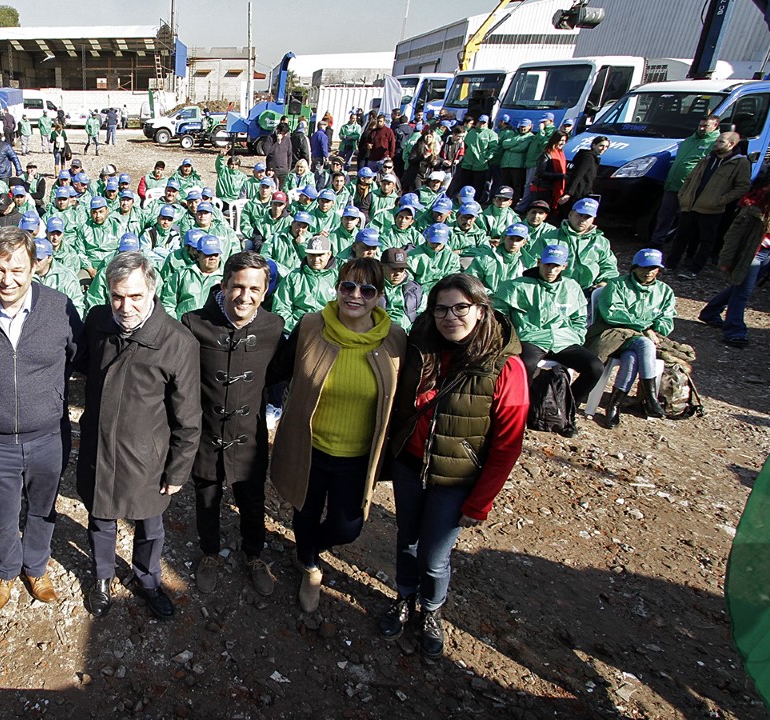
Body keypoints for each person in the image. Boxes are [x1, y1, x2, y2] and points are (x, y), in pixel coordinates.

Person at [380, 273, 528, 657]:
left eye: (461, 307)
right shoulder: (421, 344)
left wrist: (480, 503)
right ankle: (404, 597)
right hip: (411, 465)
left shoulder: (506, 366)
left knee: (434, 555)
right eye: (441, 308)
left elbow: (507, 444)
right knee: (407, 539)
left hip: (456, 476)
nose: (450, 317)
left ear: (480, 310)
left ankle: (431, 610)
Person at [0, 228, 82, 611]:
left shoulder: (59, 308)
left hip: (47, 436)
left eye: (18, 269)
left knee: (42, 507)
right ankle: (6, 571)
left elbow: (84, 356)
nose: (8, 280)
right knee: (0, 513)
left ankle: (36, 567)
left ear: (34, 266)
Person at [270, 258, 406, 612]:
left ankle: (309, 547)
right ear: (337, 288)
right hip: (310, 447)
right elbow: (277, 370)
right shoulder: (312, 326)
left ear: (379, 297)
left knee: (348, 527)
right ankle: (310, 567)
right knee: (304, 510)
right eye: (348, 286)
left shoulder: (395, 340)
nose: (355, 295)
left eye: (367, 289)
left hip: (357, 455)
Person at [76, 252, 201, 618]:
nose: (125, 306)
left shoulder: (177, 342)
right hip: (100, 445)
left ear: (151, 292)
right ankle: (101, 576)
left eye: (135, 297)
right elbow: (83, 364)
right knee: (100, 517)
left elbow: (189, 416)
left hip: (147, 455)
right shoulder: (99, 321)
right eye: (117, 296)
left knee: (149, 524)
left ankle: (147, 580)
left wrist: (177, 471)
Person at [182, 252, 284, 595]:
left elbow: (280, 374)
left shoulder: (272, 327)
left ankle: (254, 554)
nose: (245, 296)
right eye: (237, 286)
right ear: (223, 285)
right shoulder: (194, 324)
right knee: (206, 497)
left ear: (265, 290)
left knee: (252, 500)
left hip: (248, 438)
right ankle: (209, 552)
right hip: (207, 436)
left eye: (255, 288)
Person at [493, 244, 604, 432]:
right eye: (547, 265)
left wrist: (574, 335)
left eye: (556, 266)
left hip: (563, 340)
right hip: (531, 338)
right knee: (523, 366)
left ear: (564, 267)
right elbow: (499, 315)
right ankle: (521, 412)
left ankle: (567, 410)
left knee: (595, 367)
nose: (551, 270)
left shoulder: (571, 287)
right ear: (539, 263)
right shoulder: (518, 285)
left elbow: (580, 318)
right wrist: (513, 337)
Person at [586, 249, 675, 426]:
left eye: (654, 268)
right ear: (634, 268)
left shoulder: (665, 291)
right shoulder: (617, 285)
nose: (648, 272)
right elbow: (612, 314)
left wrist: (655, 327)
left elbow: (666, 321)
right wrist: (644, 327)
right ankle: (650, 399)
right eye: (644, 267)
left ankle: (613, 406)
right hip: (612, 335)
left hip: (636, 344)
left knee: (632, 357)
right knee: (645, 344)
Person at [699, 176, 770, 348]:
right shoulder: (757, 203)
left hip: (769, 254)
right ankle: (734, 331)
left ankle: (710, 312)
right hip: (753, 253)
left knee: (739, 286)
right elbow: (734, 234)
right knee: (743, 292)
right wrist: (726, 258)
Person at [668, 131, 752, 278]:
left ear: (731, 144)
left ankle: (694, 269)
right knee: (681, 237)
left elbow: (743, 187)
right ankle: (671, 264)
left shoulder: (740, 163)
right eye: (717, 141)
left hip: (711, 209)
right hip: (690, 204)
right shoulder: (707, 158)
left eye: (721, 142)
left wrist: (720, 200)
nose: (716, 144)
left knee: (706, 240)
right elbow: (691, 178)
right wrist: (683, 194)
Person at [651, 116, 720, 248]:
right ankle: (657, 241)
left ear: (715, 126)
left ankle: (679, 246)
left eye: (705, 126)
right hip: (673, 183)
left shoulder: (715, 144)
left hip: (691, 188)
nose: (701, 128)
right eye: (700, 125)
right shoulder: (689, 140)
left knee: (686, 220)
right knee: (664, 215)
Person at [271, 235, 338, 333]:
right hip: (296, 331)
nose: (315, 259)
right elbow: (280, 309)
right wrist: (298, 328)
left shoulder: (338, 279)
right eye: (312, 255)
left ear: (329, 254)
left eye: (320, 255)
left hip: (329, 332)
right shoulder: (293, 277)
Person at [551, 198, 618, 293]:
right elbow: (535, 264)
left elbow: (609, 267)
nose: (582, 220)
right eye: (579, 215)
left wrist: (604, 282)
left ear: (593, 219)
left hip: (590, 290)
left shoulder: (602, 242)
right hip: (557, 290)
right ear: (570, 214)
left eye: (587, 217)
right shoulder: (549, 238)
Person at [160, 234, 224, 319]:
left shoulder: (226, 278)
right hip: (183, 327)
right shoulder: (181, 275)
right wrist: (177, 326)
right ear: (198, 255)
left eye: (215, 254)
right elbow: (167, 303)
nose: (212, 258)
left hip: (213, 329)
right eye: (207, 254)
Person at [468, 222, 529, 294]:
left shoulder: (527, 263)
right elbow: (471, 281)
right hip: (486, 299)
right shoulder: (485, 257)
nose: (514, 243)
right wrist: (489, 295)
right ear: (504, 238)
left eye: (518, 240)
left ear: (524, 242)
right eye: (511, 238)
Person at [559, 135, 608, 220]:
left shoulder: (593, 158)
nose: (603, 148)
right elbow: (577, 175)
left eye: (606, 146)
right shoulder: (588, 157)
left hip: (583, 193)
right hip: (577, 195)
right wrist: (569, 193)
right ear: (593, 145)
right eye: (601, 145)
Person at [451, 115, 495, 203]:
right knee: (463, 185)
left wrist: (486, 158)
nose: (481, 124)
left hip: (480, 166)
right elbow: (464, 146)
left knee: (478, 187)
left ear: (487, 123)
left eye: (484, 122)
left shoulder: (491, 134)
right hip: (467, 164)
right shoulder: (471, 132)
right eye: (480, 122)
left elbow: (493, 148)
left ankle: (474, 203)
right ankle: (461, 201)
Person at [380, 247, 423, 332]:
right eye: (393, 269)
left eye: (401, 269)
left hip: (409, 334)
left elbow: (423, 315)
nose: (398, 273)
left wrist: (412, 330)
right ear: (382, 267)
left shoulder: (415, 289)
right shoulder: (372, 288)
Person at [266, 123, 295, 188]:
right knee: (272, 189)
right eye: (283, 133)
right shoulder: (270, 138)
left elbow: (289, 154)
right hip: (272, 169)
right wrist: (277, 142)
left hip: (284, 170)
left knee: (282, 189)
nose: (284, 135)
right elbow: (267, 152)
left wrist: (288, 168)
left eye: (285, 133)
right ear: (278, 130)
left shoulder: (287, 140)